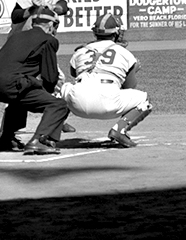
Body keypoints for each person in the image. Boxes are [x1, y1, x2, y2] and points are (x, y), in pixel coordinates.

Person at [0, 6, 74, 154]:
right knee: (59, 105)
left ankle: (7, 139)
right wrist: (44, 90)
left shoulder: (15, 36)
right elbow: (50, 78)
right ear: (51, 25)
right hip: (12, 84)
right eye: (55, 26)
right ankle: (40, 140)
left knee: (19, 99)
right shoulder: (48, 40)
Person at [62, 13, 153, 149]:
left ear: (95, 33)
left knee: (63, 89)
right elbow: (130, 87)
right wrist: (133, 71)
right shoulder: (124, 53)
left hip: (77, 103)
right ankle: (119, 130)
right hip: (109, 103)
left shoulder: (80, 51)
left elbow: (73, 74)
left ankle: (53, 128)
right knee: (145, 100)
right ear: (116, 33)